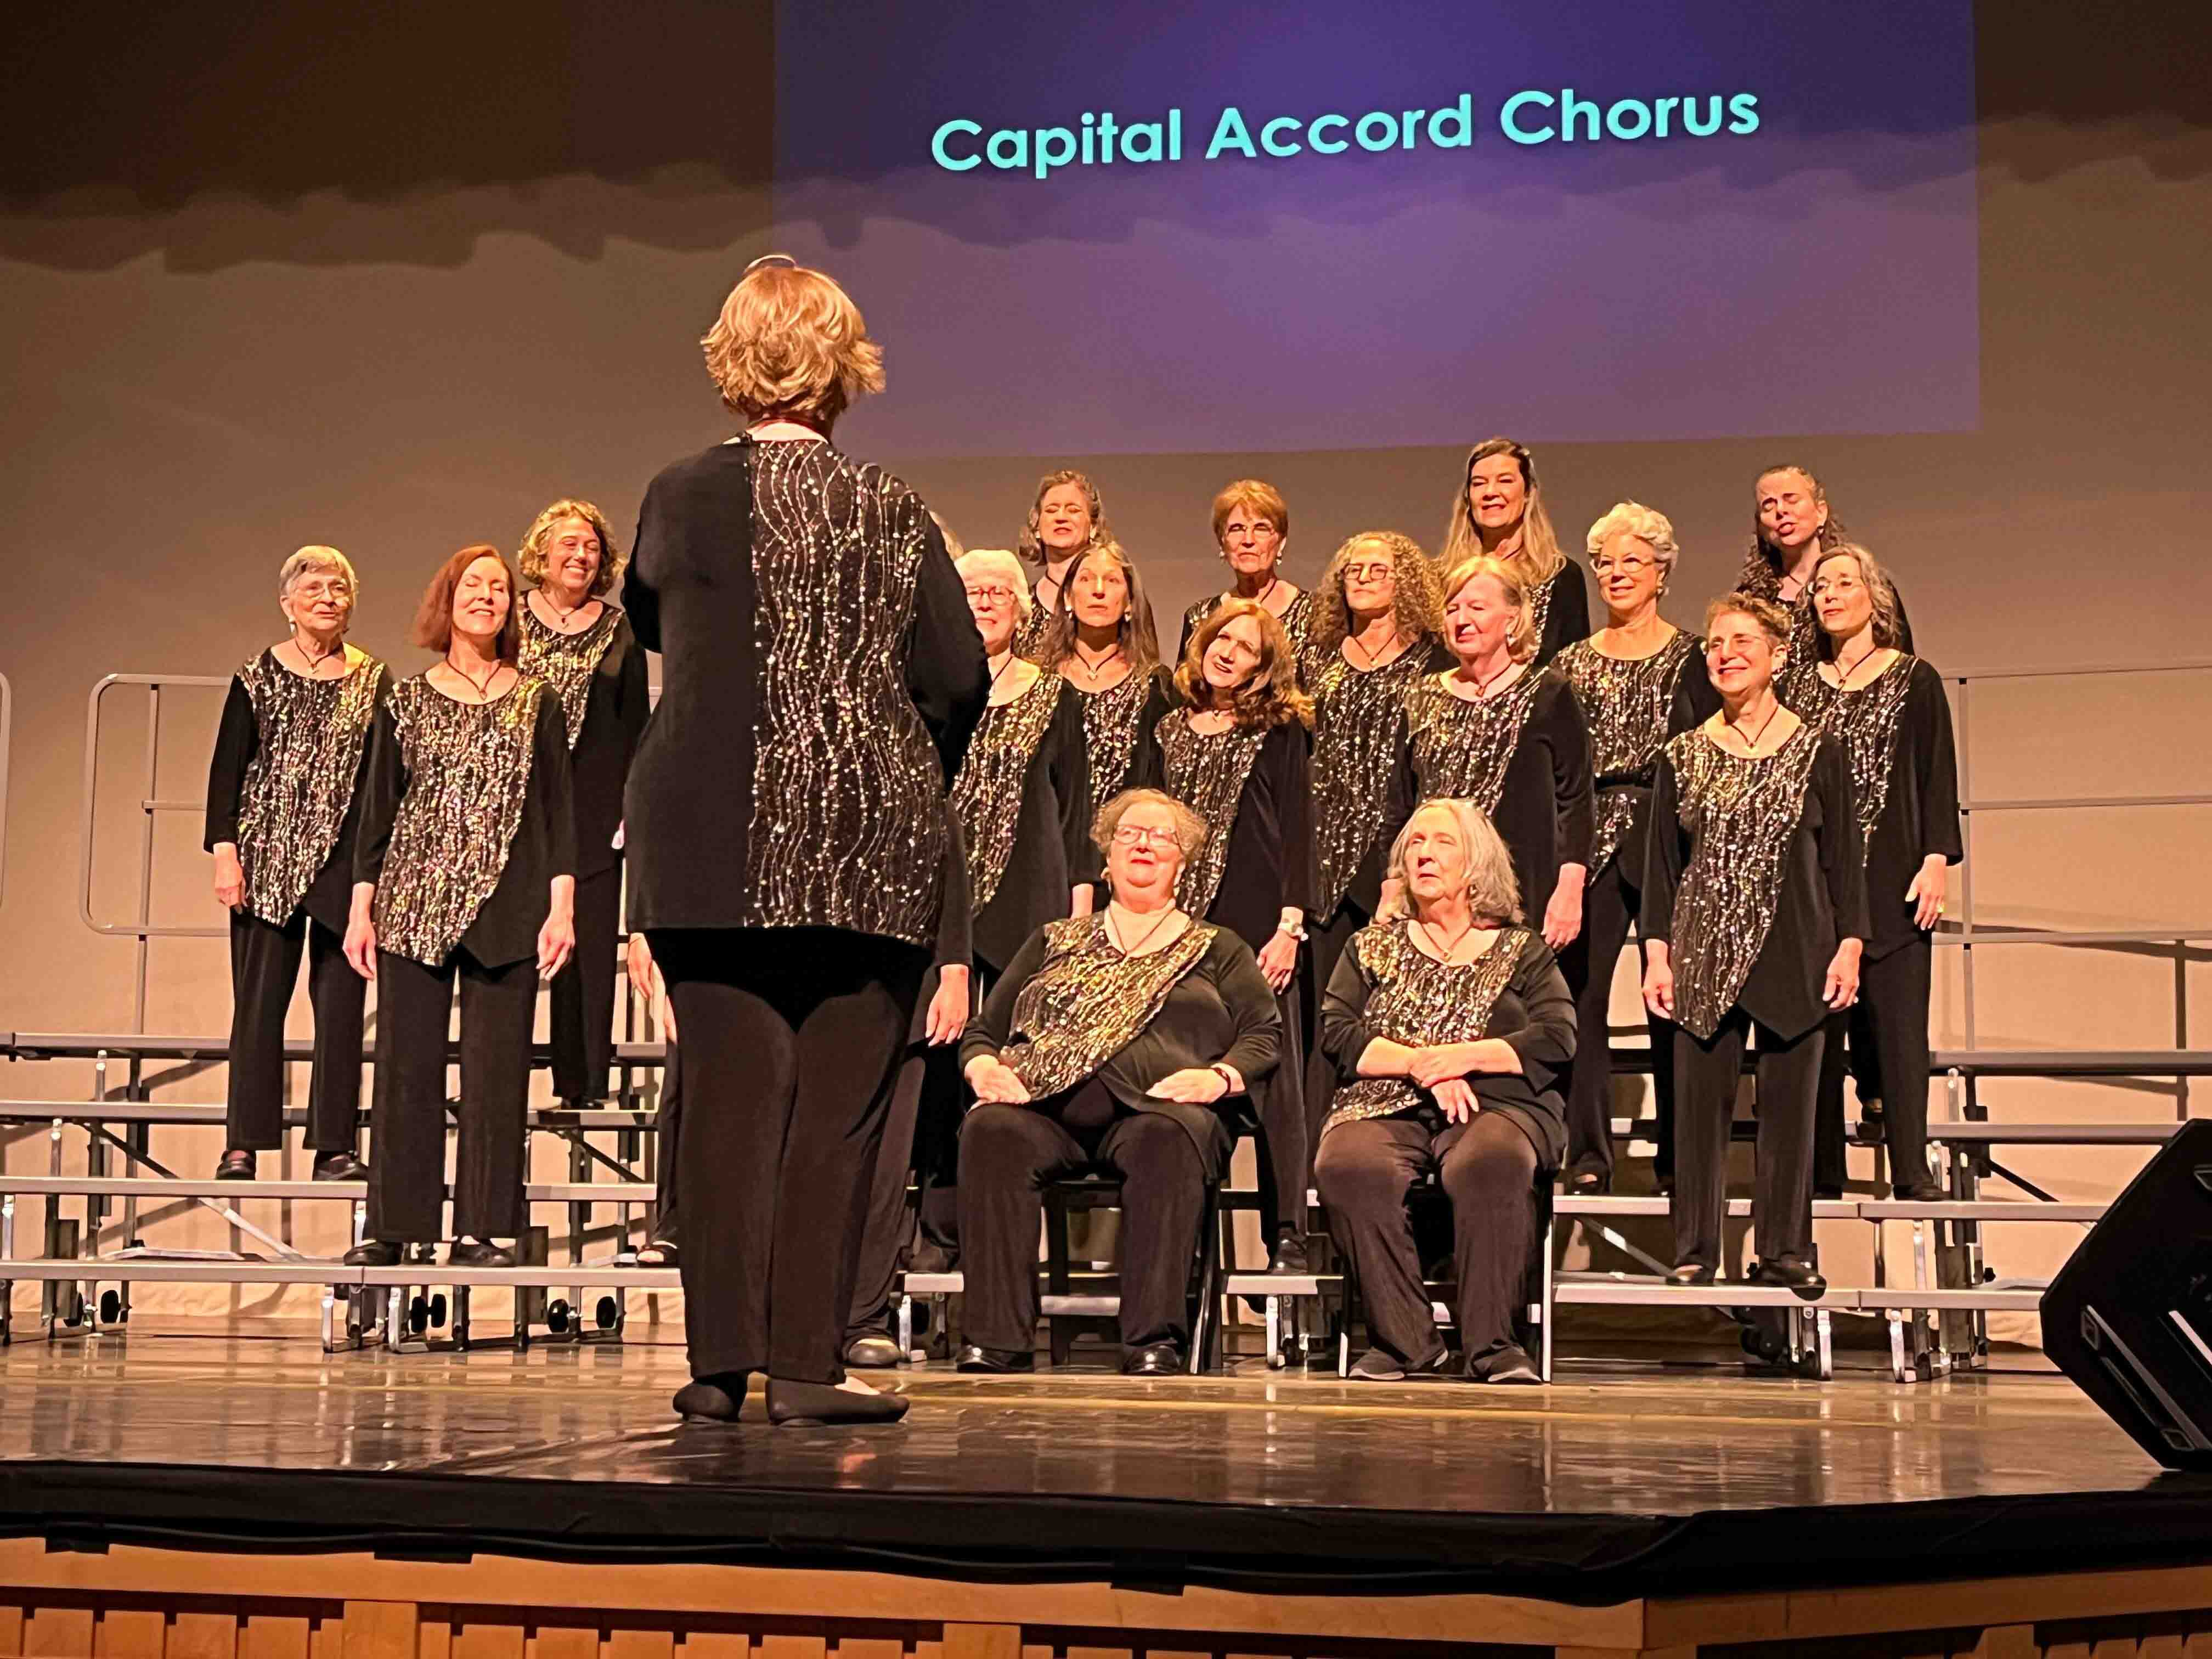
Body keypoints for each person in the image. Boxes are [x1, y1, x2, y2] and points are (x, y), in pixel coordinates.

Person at [622, 256, 988, 1428]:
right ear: (845, 369)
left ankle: (720, 1367)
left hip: (704, 835)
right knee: (837, 1114)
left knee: (727, 1103)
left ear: (732, 364)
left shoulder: (676, 494)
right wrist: (885, 751)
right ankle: (812, 1366)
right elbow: (957, 679)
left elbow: (655, 622)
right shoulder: (891, 509)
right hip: (863, 841)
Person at [843, 549, 1092, 1367]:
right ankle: (908, 1256)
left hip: (1022, 909)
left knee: (998, 1081)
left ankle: (967, 1251)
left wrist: (1077, 923)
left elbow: (1076, 810)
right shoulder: (919, 698)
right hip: (925, 910)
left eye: (998, 593)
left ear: (1024, 609)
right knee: (923, 1082)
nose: (985, 602)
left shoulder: (1051, 696)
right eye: (970, 592)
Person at [956, 789, 1281, 1375]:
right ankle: (995, 1338)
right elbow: (984, 1029)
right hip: (1047, 1105)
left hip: (1161, 1108)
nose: (1145, 843)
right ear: (1106, 857)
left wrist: (1221, 1078)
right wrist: (983, 1066)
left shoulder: (1218, 947)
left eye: (1162, 837)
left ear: (1183, 863)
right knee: (992, 1131)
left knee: (1165, 1140)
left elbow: (1263, 1035)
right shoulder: (1056, 940)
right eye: (1130, 833)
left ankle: (1152, 1340)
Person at [341, 546, 577, 1270]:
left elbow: (558, 813)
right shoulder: (404, 700)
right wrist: (361, 909)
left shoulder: (537, 699)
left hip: (509, 904)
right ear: (448, 601)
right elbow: (376, 813)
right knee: (405, 1071)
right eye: (474, 586)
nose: (488, 598)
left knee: (496, 1075)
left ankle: (479, 1229)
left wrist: (562, 906)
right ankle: (394, 1227)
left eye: (500, 589)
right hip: (413, 903)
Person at [1641, 594, 1867, 1296]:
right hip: (1703, 950)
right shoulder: (1682, 753)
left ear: (1777, 656)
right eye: (1715, 642)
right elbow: (1661, 869)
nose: (1725, 653)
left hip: (1797, 947)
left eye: (1742, 641)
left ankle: (1786, 1247)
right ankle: (1695, 1249)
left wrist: (1851, 944)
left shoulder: (1817, 749)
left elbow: (1844, 862)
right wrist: (1657, 953)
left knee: (1792, 1112)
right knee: (1699, 1112)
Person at [1316, 799, 1576, 1383]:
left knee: (1491, 1160)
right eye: (1415, 844)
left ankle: (1493, 1345)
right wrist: (1420, 1066)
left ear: (1476, 865)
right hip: (1385, 1099)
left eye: (1442, 844)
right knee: (1349, 1164)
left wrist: (1461, 1059)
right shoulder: (1371, 946)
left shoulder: (1521, 949)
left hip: (1496, 1104)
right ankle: (1407, 1341)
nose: (1425, 854)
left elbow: (1556, 1037)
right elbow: (1338, 1032)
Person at [1549, 505, 1718, 1194]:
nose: (1617, 575)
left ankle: (1678, 1156)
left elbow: (1712, 755)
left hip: (1666, 829)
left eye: (1632, 562)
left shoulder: (1693, 657)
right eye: (1606, 564)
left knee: (1671, 990)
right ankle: (1588, 1152)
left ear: (1662, 572)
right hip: (1590, 829)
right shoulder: (1568, 664)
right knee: (1578, 990)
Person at [1143, 598, 1316, 1271]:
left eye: (1245, 647)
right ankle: (1179, 1246)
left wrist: (1291, 925)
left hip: (1255, 922)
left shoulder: (1279, 730)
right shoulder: (1166, 730)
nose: (1227, 652)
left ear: (1262, 666)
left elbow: (1299, 830)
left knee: (1272, 1075)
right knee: (1176, 1066)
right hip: (1175, 925)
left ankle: (1288, 1234)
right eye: (1221, 639)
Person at [204, 547, 386, 1181]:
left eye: (340, 587)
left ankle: (333, 1145)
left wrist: (373, 873)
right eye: (313, 588)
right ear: (287, 603)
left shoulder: (373, 679)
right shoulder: (255, 676)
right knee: (257, 1007)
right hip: (265, 859)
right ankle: (243, 1143)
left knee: (340, 1009)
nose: (327, 597)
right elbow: (227, 772)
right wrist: (225, 852)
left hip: (343, 864)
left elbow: (379, 781)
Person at [1801, 544, 1961, 1201]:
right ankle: (1822, 1171)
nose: (1831, 594)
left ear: (1875, 596)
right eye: (1820, 586)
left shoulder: (1912, 678)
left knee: (1898, 1027)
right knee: (1816, 1033)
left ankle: (1911, 1166)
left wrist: (1936, 861)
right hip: (1818, 882)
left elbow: (1935, 773)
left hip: (1894, 875)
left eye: (1844, 582)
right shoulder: (1796, 686)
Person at [1298, 533, 1452, 1132]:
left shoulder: (1432, 659)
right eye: (1352, 570)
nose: (1362, 578)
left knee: (1390, 1002)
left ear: (1405, 580)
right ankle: (1319, 1144)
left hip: (1395, 845)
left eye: (1378, 569)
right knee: (1327, 1010)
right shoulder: (1316, 657)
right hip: (1322, 852)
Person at [1385, 556, 1593, 964]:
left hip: (1525, 895)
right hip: (1434, 900)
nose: (1462, 619)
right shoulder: (1421, 696)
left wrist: (1570, 889)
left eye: (1477, 608)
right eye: (1452, 609)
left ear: (1512, 618)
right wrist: (1393, 883)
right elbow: (1400, 805)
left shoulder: (1549, 693)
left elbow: (1576, 801)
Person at [515, 498, 649, 1112]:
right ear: (541, 552)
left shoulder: (619, 626)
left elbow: (634, 724)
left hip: (597, 805)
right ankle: (503, 1073)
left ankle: (583, 1080)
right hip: (515, 800)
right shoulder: (511, 621)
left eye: (592, 547)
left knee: (591, 943)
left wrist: (632, 802)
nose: (581, 555)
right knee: (512, 935)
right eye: (569, 544)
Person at [1740, 463, 1916, 713]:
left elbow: (1899, 669)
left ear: (1820, 512)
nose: (1781, 511)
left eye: (1791, 499)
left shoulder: (1864, 585)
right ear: (1760, 525)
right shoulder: (1750, 600)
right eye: (1768, 505)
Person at [1047, 539, 1175, 826]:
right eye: (1086, 579)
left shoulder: (1157, 688)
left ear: (1130, 602)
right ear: (1068, 597)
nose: (1099, 590)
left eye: (1113, 580)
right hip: (1051, 852)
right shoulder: (1038, 684)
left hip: (1131, 849)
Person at [1438, 437, 1590, 668]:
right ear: (1468, 497)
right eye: (1479, 483)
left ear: (1528, 492)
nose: (1490, 492)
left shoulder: (1561, 576)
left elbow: (1573, 668)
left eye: (1505, 481)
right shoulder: (1442, 578)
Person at [1011, 470, 1156, 661]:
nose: (1061, 517)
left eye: (1073, 510)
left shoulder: (1120, 597)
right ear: (1037, 527)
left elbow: (1145, 665)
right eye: (1052, 510)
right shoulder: (1021, 606)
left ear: (1094, 527)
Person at [1175, 479, 1312, 665]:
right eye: (1237, 529)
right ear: (1222, 542)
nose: (1248, 540)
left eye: (1261, 529)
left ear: (1281, 542)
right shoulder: (1200, 617)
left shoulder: (1312, 614)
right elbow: (1187, 689)